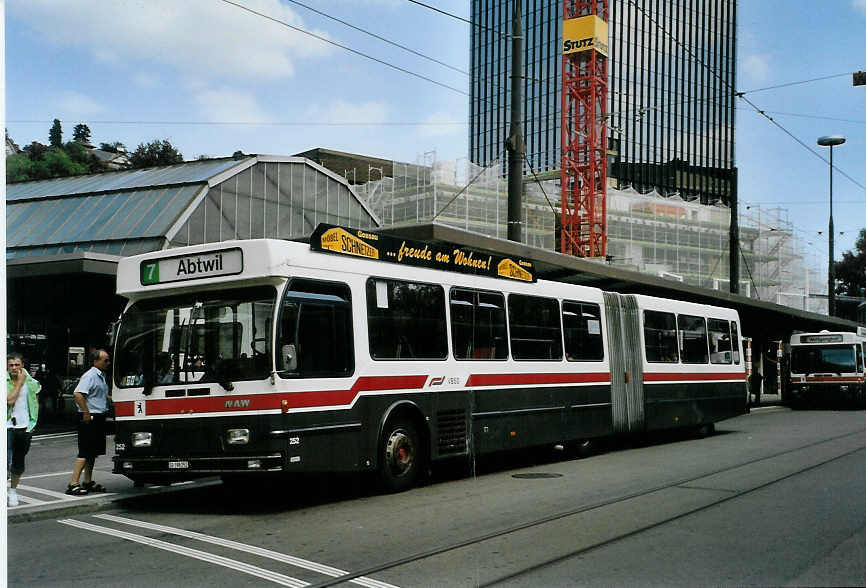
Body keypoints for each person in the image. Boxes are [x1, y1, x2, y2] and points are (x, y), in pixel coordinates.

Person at [66, 349, 111, 496]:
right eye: (105, 360)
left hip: (99, 416)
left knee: (93, 452)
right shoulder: (90, 376)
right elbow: (78, 394)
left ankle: (88, 481)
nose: (108, 363)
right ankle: (73, 483)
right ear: (95, 361)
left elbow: (101, 395)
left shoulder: (101, 376)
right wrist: (86, 412)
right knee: (85, 451)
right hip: (89, 417)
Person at [7, 352, 41, 507]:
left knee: (18, 463)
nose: (14, 368)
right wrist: (20, 383)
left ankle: (12, 491)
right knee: (6, 461)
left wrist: (32, 424)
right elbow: (9, 401)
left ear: (22, 366)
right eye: (11, 365)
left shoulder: (30, 382)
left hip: (24, 427)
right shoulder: (5, 382)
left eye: (17, 364)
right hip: (7, 427)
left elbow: (36, 399)